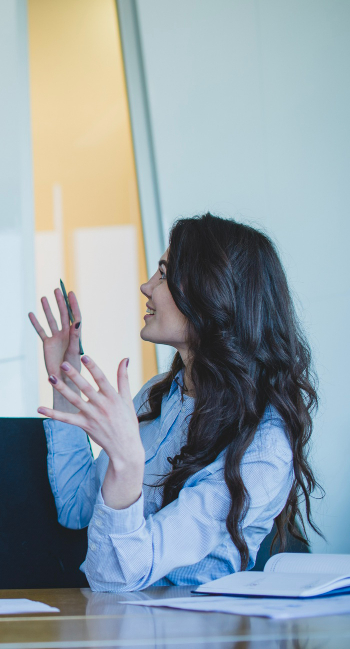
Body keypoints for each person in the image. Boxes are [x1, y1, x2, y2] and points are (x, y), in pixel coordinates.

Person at [30, 214, 320, 592]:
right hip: (119, 622)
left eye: (164, 274)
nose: (146, 286)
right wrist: (66, 378)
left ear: (213, 293)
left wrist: (128, 464)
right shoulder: (158, 396)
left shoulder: (264, 447)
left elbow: (115, 576)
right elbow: (75, 507)